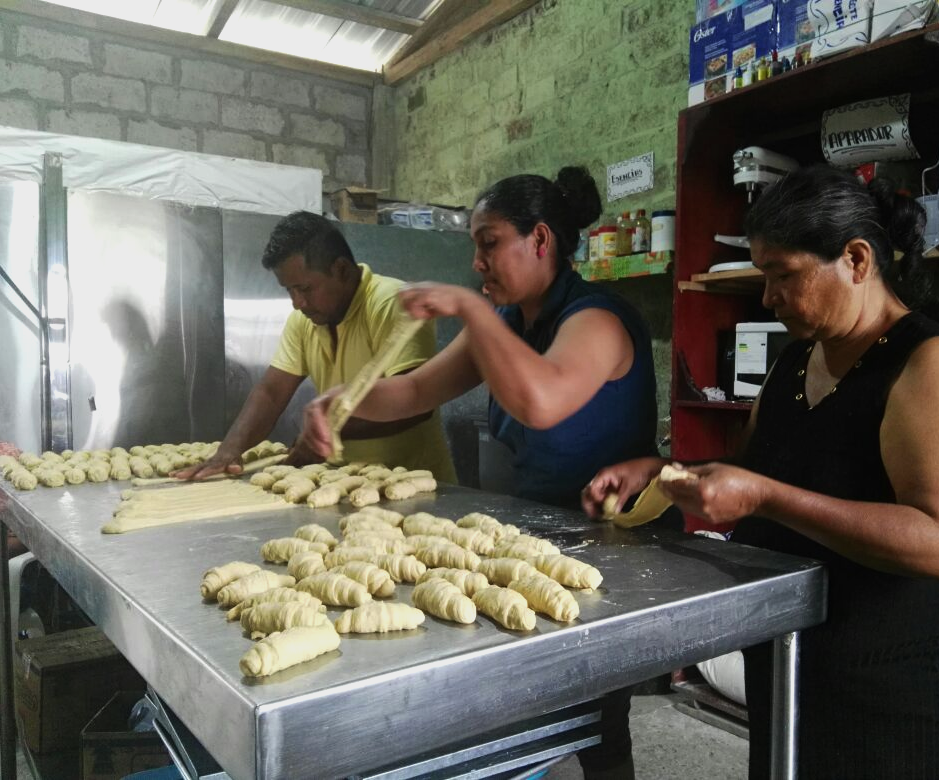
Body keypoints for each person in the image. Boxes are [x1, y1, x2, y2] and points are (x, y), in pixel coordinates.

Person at [582, 165, 939, 779]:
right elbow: (752, 471)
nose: (769, 298)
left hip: (896, 711)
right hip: (792, 684)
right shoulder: (794, 364)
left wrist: (765, 498)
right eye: (764, 276)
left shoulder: (935, 366)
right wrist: (663, 472)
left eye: (784, 275)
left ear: (856, 260)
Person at [298, 166, 658, 779]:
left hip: (610, 547)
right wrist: (343, 400)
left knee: (598, 721)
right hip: (534, 536)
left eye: (489, 243)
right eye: (474, 248)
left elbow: (540, 400)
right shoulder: (511, 322)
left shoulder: (595, 319)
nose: (477, 262)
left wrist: (468, 306)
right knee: (525, 711)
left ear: (539, 240)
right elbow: (414, 390)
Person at [175, 211, 455, 482]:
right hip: (346, 486)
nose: (297, 302)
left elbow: (417, 403)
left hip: (416, 486)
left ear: (342, 270)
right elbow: (271, 393)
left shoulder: (391, 304)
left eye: (305, 289)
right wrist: (228, 452)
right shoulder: (303, 320)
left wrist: (327, 430)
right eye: (289, 291)